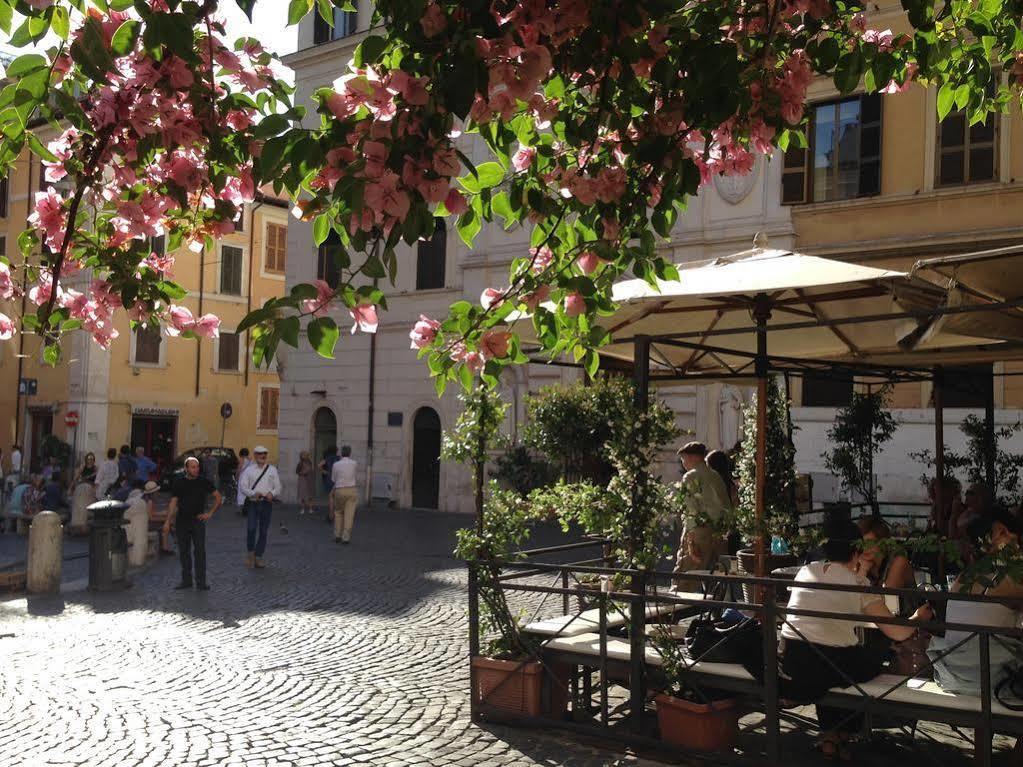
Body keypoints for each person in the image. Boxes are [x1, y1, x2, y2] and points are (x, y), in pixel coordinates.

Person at [780, 520, 933, 761]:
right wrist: (917, 617)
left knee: (840, 658)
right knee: (866, 659)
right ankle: (844, 734)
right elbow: (898, 633)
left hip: (793, 663)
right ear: (856, 552)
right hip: (826, 667)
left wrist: (858, 570)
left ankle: (833, 735)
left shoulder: (806, 571)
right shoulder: (858, 585)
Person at [930, 507, 1023, 697]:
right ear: (986, 543)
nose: (1012, 537)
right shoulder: (1009, 578)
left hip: (953, 677)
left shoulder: (962, 578)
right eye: (1003, 533)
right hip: (994, 682)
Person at [673, 442, 733, 577]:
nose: (683, 463)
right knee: (718, 577)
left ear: (692, 458)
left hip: (699, 531)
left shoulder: (690, 476)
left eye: (684, 458)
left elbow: (691, 509)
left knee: (685, 577)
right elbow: (726, 505)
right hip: (719, 533)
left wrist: (690, 539)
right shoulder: (715, 476)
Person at [163, 456, 222, 590]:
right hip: (182, 521)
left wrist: (210, 513)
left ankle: (201, 582)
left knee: (200, 551)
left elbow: (218, 498)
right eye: (193, 467)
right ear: (186, 468)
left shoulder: (204, 481)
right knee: (184, 552)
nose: (196, 469)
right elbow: (173, 502)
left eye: (197, 467)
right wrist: (168, 521)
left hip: (197, 520)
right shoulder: (179, 482)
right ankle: (186, 580)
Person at [238, 446, 282, 568]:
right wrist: (253, 493)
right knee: (251, 529)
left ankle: (258, 556)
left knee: (263, 531)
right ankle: (250, 553)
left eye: (264, 454)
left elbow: (278, 487)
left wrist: (271, 494)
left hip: (267, 504)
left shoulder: (272, 470)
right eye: (260, 454)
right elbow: (243, 487)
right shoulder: (249, 470)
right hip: (253, 503)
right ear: (255, 455)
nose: (263, 456)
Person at [331, 446, 359, 544]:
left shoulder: (336, 464)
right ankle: (346, 537)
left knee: (338, 512)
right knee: (349, 514)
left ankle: (337, 535)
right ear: (350, 453)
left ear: (341, 453)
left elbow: (333, 479)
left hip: (340, 490)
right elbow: (355, 475)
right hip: (351, 489)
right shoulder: (354, 463)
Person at [138, 480, 174, 555]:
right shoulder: (149, 502)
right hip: (148, 523)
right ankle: (165, 548)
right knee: (166, 525)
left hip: (147, 521)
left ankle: (165, 546)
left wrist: (164, 515)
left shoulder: (148, 499)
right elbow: (151, 518)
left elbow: (151, 513)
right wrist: (165, 519)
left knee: (168, 520)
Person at [320, 446, 339, 522]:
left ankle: (331, 515)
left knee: (331, 498)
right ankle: (337, 514)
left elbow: (319, 465)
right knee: (337, 497)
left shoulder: (327, 458)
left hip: (329, 479)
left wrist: (325, 471)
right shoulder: (338, 458)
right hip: (337, 479)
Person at [296, 450, 316, 515]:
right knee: (303, 495)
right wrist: (303, 473)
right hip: (303, 480)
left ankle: (310, 509)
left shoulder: (310, 462)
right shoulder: (300, 463)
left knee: (310, 494)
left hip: (309, 479)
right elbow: (297, 472)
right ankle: (302, 509)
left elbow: (311, 470)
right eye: (304, 455)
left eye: (306, 455)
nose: (306, 456)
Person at [234, 447, 251, 513]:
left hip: (242, 477)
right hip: (249, 477)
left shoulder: (241, 459)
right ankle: (247, 508)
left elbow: (239, 469)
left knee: (241, 493)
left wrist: (236, 476)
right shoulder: (250, 460)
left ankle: (242, 509)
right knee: (247, 493)